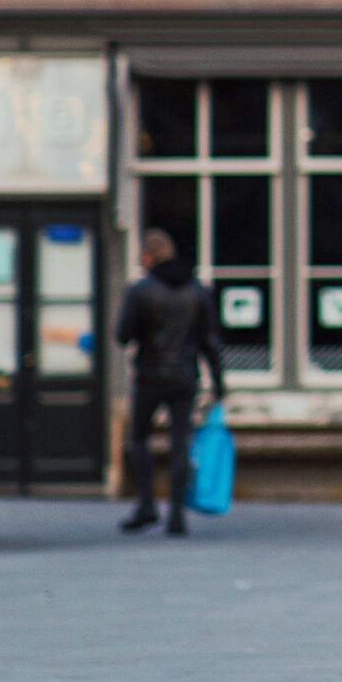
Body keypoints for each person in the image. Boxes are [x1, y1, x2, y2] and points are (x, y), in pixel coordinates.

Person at [114, 229, 225, 536]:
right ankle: (176, 514)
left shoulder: (140, 291)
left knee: (139, 438)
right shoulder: (197, 290)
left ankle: (146, 504)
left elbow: (123, 335)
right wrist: (219, 383)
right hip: (185, 376)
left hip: (149, 375)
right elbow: (211, 342)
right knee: (180, 443)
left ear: (148, 257)